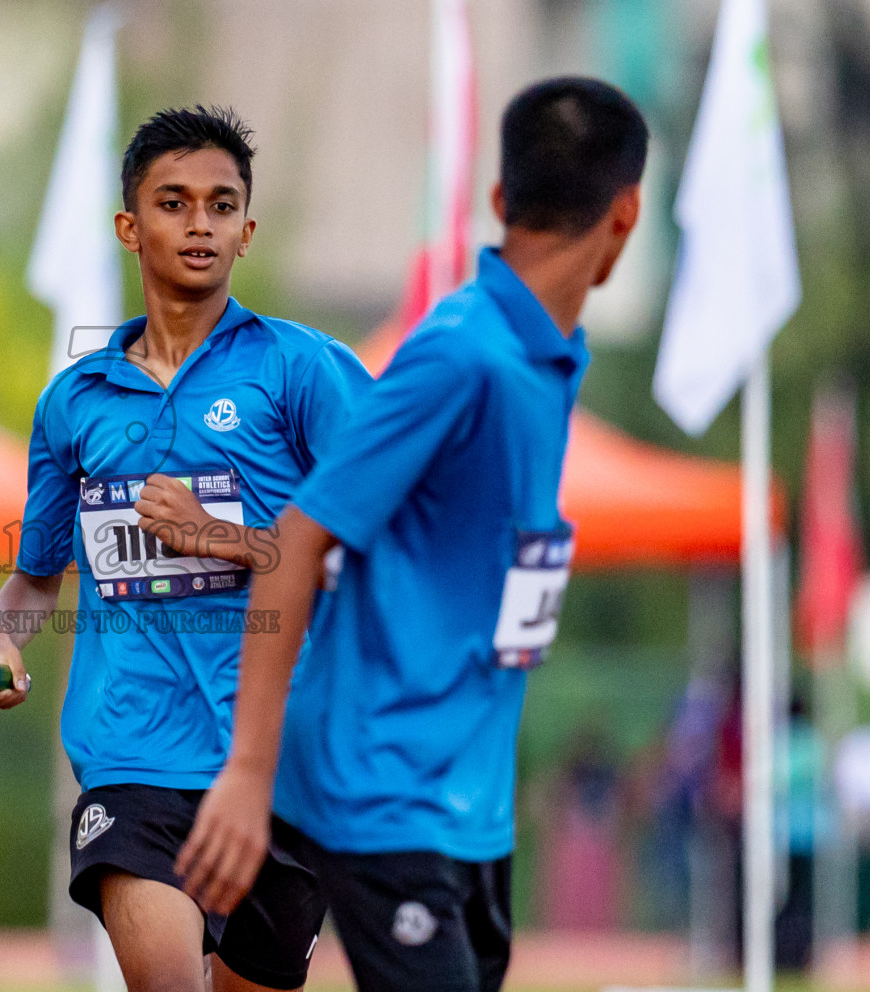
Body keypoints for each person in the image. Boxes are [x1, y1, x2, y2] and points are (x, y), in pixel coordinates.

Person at [177, 78, 649, 992]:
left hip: (470, 800)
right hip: (380, 788)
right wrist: (245, 775)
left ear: (502, 200)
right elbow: (301, 536)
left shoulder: (548, 357)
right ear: (626, 213)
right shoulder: (460, 352)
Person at [0, 106, 372, 992]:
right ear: (129, 225)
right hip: (131, 754)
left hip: (278, 762)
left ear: (246, 230)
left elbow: (377, 552)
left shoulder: (305, 372)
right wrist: (3, 640)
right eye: (174, 202)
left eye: (221, 206)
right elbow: (37, 573)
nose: (199, 224)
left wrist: (219, 538)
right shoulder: (74, 401)